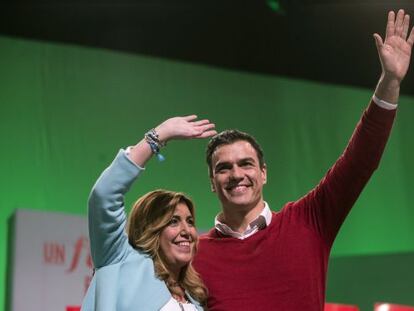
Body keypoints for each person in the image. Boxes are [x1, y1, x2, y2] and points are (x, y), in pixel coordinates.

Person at [192, 9, 414, 311]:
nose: (236, 174)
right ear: (212, 183)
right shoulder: (193, 254)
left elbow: (360, 161)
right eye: (224, 168)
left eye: (246, 163)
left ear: (264, 173)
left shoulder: (309, 221)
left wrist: (389, 81)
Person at [81, 116, 216, 311]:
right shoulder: (120, 260)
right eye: (173, 222)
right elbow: (104, 196)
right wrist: (160, 135)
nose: (186, 230)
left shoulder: (196, 297)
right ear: (151, 229)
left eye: (190, 221)